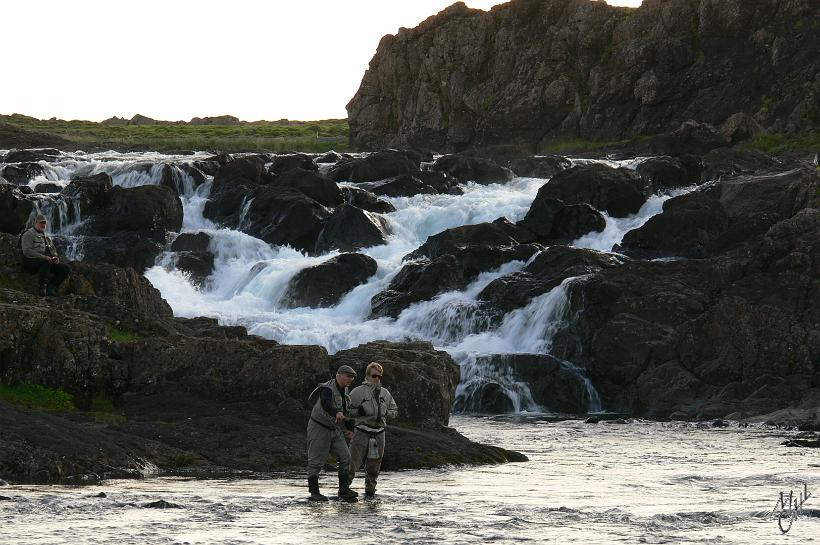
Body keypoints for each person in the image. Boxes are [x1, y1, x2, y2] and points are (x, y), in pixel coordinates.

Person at [305, 365, 359, 502]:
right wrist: (336, 412)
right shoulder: (327, 388)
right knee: (315, 461)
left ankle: (344, 489)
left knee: (346, 457)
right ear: (339, 375)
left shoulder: (345, 391)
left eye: (352, 377)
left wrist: (350, 430)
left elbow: (347, 413)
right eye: (348, 376)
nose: (350, 379)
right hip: (318, 427)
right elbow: (326, 404)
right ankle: (314, 492)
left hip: (335, 429)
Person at [348, 361, 398, 498]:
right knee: (352, 464)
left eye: (380, 376)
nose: (378, 379)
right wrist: (359, 411)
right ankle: (344, 489)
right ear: (368, 376)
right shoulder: (357, 392)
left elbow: (395, 411)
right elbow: (347, 411)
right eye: (375, 376)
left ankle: (370, 491)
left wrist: (387, 412)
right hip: (361, 432)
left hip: (379, 434)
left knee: (374, 467)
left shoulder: (386, 393)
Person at [20, 214, 70, 296]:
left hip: (46, 262)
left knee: (65, 269)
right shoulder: (28, 234)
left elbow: (53, 250)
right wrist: (43, 257)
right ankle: (42, 287)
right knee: (45, 262)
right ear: (35, 222)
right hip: (31, 262)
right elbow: (27, 251)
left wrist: (55, 257)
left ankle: (52, 287)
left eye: (44, 223)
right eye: (41, 223)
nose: (43, 225)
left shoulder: (46, 237)